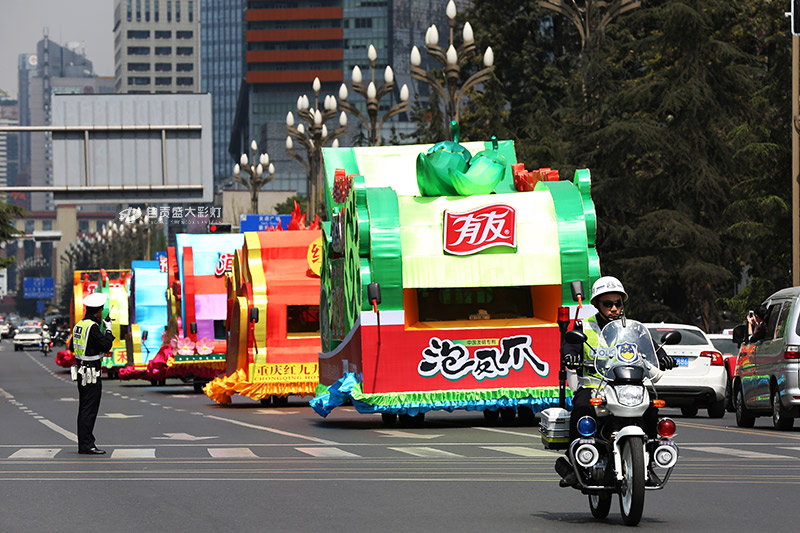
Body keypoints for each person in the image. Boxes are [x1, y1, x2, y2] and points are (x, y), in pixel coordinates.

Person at [554, 276, 676, 487]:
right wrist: (570, 356)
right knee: (582, 408)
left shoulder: (631, 328)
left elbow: (651, 346)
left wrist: (663, 355)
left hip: (626, 385)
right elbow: (570, 344)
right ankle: (577, 466)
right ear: (596, 304)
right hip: (594, 384)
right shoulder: (585, 326)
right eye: (607, 304)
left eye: (617, 303)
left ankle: (646, 466)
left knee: (650, 409)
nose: (613, 308)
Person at [68, 293, 114, 455]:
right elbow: (106, 345)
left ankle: (85, 443)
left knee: (84, 408)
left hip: (82, 370)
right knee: (90, 409)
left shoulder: (80, 325)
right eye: (101, 310)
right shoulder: (93, 328)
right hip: (92, 372)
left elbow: (72, 348)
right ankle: (87, 444)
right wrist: (108, 330)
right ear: (98, 312)